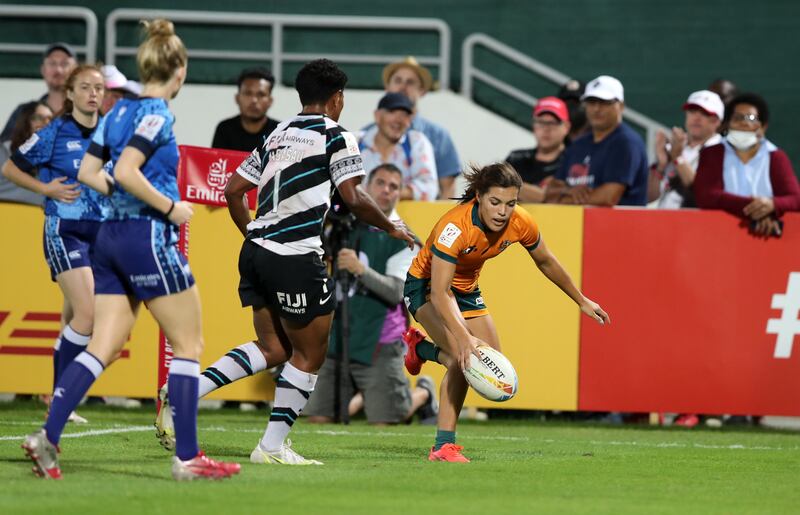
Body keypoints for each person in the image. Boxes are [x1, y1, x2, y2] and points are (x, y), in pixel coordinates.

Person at [156, 58, 415, 465]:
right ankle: (272, 448)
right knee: (310, 354)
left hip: (256, 251)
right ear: (336, 99)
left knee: (274, 347)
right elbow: (353, 196)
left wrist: (256, 235)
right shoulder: (336, 135)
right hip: (294, 255)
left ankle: (185, 391)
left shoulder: (278, 133)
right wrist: (392, 227)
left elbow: (233, 190)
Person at [21, 19, 240, 481]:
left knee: (102, 344)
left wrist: (121, 193)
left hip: (108, 238)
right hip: (147, 237)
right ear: (178, 70)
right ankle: (188, 458)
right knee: (189, 345)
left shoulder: (117, 113)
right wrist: (170, 207)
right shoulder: (157, 112)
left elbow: (88, 171)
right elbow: (129, 169)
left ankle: (48, 438)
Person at [402, 162, 609, 462]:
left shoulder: (520, 221)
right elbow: (440, 291)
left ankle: (420, 348)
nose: (502, 211)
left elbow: (547, 261)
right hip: (426, 287)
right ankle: (443, 447)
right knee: (466, 359)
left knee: (488, 363)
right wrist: (464, 338)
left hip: (466, 289)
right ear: (479, 196)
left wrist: (581, 299)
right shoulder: (455, 228)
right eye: (495, 202)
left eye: (510, 203)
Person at [2, 65, 108, 426]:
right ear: (70, 94)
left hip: (102, 233)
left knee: (73, 319)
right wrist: (45, 189)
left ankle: (57, 397)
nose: (93, 93)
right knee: (88, 314)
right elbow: (11, 169)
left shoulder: (111, 132)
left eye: (98, 87)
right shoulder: (53, 132)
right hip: (65, 229)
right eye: (85, 87)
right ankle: (61, 400)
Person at [304, 163, 437, 425]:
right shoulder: (341, 226)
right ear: (366, 188)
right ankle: (365, 397)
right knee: (319, 418)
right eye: (381, 183)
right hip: (337, 334)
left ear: (400, 193)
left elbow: (397, 292)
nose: (386, 191)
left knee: (386, 421)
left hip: (380, 340)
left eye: (394, 186)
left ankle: (422, 394)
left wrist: (360, 270)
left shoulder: (405, 239)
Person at [694, 92, 800, 237]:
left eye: (751, 118)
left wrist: (772, 205)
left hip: (766, 240)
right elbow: (707, 196)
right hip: (718, 236)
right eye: (737, 118)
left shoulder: (776, 157)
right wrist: (760, 209)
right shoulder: (711, 154)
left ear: (762, 127)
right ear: (727, 124)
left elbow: (795, 198)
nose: (744, 123)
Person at [545, 75, 648, 206]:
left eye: (604, 102)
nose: (596, 108)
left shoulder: (626, 142)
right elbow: (550, 192)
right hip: (577, 224)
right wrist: (569, 190)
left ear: (621, 106)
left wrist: (562, 200)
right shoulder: (578, 144)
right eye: (591, 102)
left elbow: (608, 197)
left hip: (623, 225)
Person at [380, 56, 461, 199]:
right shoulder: (366, 135)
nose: (403, 87)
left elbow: (447, 188)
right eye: (398, 81)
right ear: (387, 87)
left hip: (422, 219)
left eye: (410, 82)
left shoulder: (439, 136)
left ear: (422, 90)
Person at [648, 90, 724, 208]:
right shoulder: (673, 147)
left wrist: (678, 158)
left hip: (697, 223)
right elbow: (649, 197)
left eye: (705, 113)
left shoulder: (723, 150)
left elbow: (702, 193)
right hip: (662, 220)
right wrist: (660, 166)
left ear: (717, 121)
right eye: (692, 111)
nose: (697, 118)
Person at [358, 92, 438, 200]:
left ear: (410, 121)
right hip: (358, 217)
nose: (398, 120)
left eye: (405, 115)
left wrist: (384, 195)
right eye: (392, 112)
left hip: (407, 217)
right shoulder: (355, 142)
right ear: (377, 116)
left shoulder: (416, 142)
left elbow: (430, 188)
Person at [1, 43, 77, 140]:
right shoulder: (24, 112)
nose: (58, 70)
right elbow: (4, 149)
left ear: (75, 71)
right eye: (52, 63)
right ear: (43, 70)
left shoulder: (86, 112)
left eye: (65, 64)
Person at [504, 96, 571, 202]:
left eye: (553, 123)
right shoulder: (516, 158)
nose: (546, 129)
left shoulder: (573, 160)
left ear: (566, 127)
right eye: (541, 122)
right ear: (534, 125)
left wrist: (510, 185)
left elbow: (549, 198)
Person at [211, 67, 280, 152]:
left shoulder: (280, 132)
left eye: (261, 94)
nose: (254, 100)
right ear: (237, 98)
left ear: (270, 101)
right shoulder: (224, 129)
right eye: (248, 93)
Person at [0, 101, 53, 205]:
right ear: (24, 122)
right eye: (39, 118)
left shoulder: (56, 159)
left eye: (51, 119)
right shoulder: (3, 152)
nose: (46, 123)